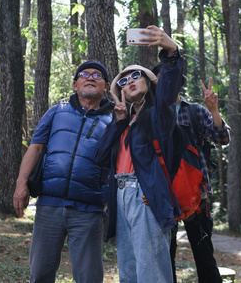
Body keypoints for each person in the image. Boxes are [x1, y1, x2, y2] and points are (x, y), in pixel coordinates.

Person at [94, 25, 184, 283]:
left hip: (144, 195)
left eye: (135, 75)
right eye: (123, 80)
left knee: (151, 270)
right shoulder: (125, 123)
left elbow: (168, 91)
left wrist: (170, 52)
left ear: (149, 81)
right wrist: (119, 122)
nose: (129, 81)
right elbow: (100, 156)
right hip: (120, 197)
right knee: (130, 269)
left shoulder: (159, 115)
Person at [13, 60, 114, 283]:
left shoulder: (113, 121)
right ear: (75, 84)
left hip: (89, 210)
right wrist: (21, 185)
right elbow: (35, 148)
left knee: (89, 278)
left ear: (106, 86)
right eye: (84, 74)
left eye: (97, 75)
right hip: (49, 206)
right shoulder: (56, 112)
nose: (90, 77)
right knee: (40, 274)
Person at [153, 62, 230, 283]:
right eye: (160, 79)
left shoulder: (194, 111)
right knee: (166, 256)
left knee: (204, 255)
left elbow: (222, 138)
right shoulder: (151, 115)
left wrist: (213, 109)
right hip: (164, 197)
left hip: (196, 196)